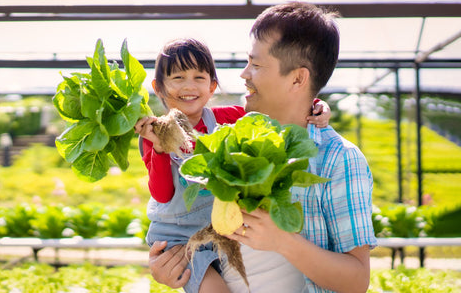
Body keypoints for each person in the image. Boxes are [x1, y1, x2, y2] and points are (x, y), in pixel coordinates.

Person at [148, 2, 377, 293]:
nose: (244, 74)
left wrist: (282, 240)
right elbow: (199, 228)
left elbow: (357, 280)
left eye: (256, 65)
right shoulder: (232, 142)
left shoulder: (338, 159)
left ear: (297, 78)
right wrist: (171, 266)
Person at [135, 37, 331, 293]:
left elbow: (277, 118)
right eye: (178, 78)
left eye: (199, 77)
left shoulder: (229, 117)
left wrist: (315, 106)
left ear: (212, 86)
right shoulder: (153, 133)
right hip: (181, 238)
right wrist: (160, 149)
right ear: (158, 87)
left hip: (220, 228)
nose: (189, 86)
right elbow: (162, 194)